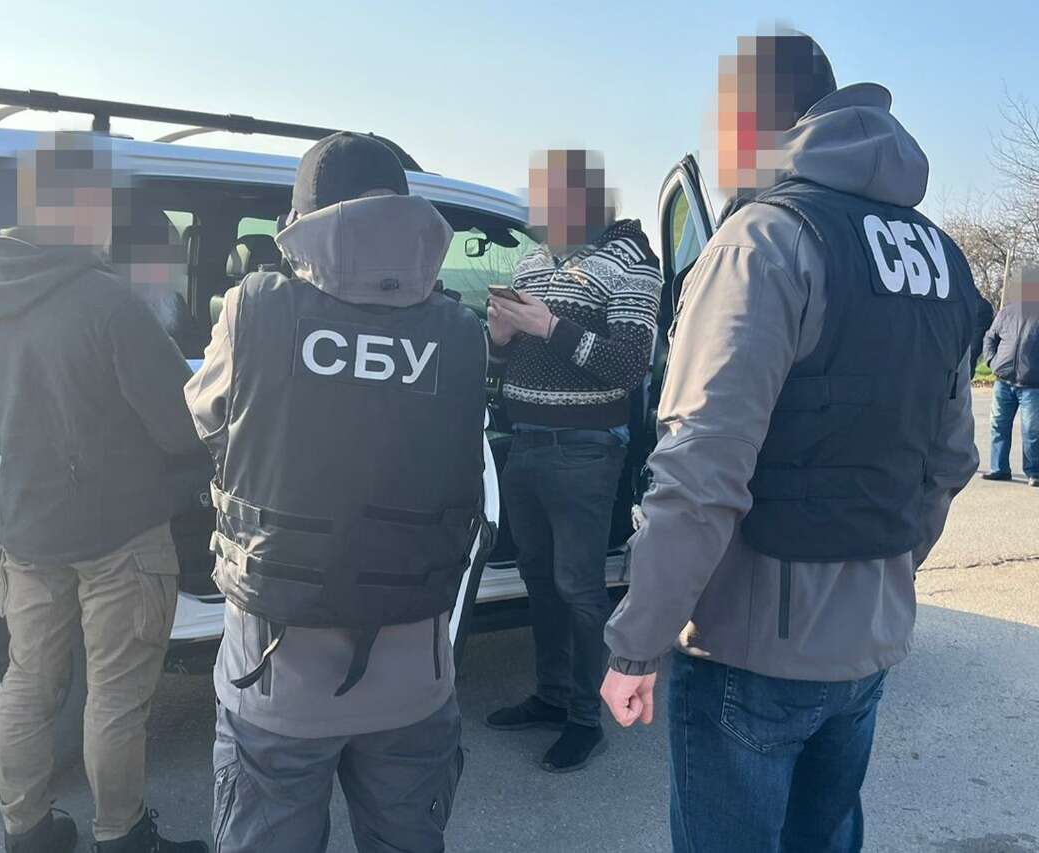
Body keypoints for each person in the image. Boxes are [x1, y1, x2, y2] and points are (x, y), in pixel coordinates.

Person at [599, 31, 979, 853]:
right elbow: (949, 460)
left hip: (752, 650)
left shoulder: (763, 240)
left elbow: (701, 469)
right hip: (868, 642)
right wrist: (882, 575)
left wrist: (636, 641)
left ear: (747, 123)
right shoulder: (940, 258)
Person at [185, 131, 488, 853]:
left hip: (276, 674)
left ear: (300, 223)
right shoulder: (462, 329)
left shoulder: (252, 308)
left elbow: (206, 420)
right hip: (416, 671)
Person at [0, 133, 205, 853]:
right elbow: (181, 424)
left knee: (28, 681)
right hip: (119, 534)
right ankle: (121, 836)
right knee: (116, 695)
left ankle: (27, 830)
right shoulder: (109, 301)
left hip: (27, 525)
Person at [484, 149, 662, 773]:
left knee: (579, 588)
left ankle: (587, 719)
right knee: (537, 579)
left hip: (586, 451)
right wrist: (499, 341)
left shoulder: (633, 263)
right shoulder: (534, 260)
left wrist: (549, 326)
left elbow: (629, 366)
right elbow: (506, 361)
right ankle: (552, 694)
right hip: (525, 444)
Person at [981, 263, 1039, 485]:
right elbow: (990, 337)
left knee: (1032, 431)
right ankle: (999, 468)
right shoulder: (1007, 312)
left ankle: (1034, 472)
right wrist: (992, 361)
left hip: (1032, 385)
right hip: (1003, 382)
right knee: (998, 426)